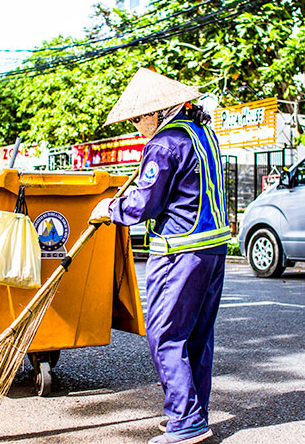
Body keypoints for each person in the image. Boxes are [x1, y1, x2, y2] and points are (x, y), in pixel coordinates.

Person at [89, 68, 230, 444]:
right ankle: (193, 413)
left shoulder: (165, 143)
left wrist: (108, 209)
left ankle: (185, 421)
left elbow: (144, 205)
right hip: (213, 249)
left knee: (166, 334)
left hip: (180, 251)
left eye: (139, 117)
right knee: (197, 335)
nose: (137, 125)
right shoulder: (202, 133)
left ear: (160, 110)